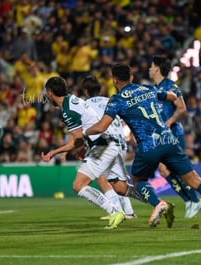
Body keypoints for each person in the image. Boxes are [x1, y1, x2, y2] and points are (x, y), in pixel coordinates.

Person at [83, 63, 201, 230]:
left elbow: (101, 126)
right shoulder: (147, 89)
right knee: (195, 180)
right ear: (131, 77)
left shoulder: (117, 100)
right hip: (169, 140)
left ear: (114, 80)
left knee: (138, 181)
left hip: (148, 145)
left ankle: (158, 203)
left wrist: (85, 132)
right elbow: (172, 96)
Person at [41, 76, 144, 230]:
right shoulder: (72, 100)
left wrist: (55, 152)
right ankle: (153, 200)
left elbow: (77, 140)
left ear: (50, 93)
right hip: (110, 143)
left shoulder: (68, 111)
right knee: (121, 188)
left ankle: (114, 211)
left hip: (102, 146)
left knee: (78, 185)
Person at [149, 55, 201, 219]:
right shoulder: (153, 89)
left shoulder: (171, 86)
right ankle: (188, 200)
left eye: (151, 66)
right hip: (160, 136)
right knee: (164, 170)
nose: (149, 69)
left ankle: (194, 199)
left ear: (157, 68)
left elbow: (182, 108)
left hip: (173, 133)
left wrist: (168, 122)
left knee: (179, 169)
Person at [80, 75, 137, 220]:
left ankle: (117, 211)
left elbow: (86, 129)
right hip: (120, 143)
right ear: (100, 89)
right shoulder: (110, 101)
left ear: (85, 91)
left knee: (102, 178)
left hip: (104, 144)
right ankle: (129, 211)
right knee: (118, 181)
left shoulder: (84, 105)